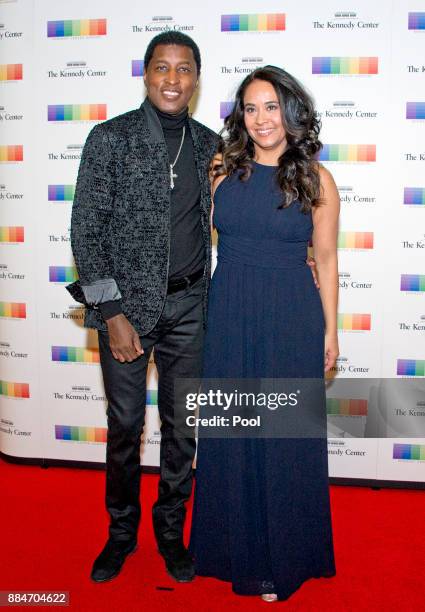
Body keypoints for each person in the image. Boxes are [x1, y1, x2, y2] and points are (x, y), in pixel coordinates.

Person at [69, 32, 219, 583]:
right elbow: (86, 230)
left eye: (183, 69)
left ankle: (170, 531)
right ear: (146, 74)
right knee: (125, 424)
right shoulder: (110, 138)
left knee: (183, 429)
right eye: (162, 68)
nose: (172, 80)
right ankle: (121, 533)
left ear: (196, 79)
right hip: (126, 311)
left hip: (190, 307)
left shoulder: (209, 145)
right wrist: (111, 314)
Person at [189, 66, 339, 602]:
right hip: (229, 309)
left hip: (291, 314)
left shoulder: (316, 179)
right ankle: (230, 553)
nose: (261, 119)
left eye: (271, 106)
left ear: (291, 111)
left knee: (282, 436)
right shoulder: (220, 169)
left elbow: (325, 257)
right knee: (232, 430)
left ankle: (283, 560)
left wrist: (331, 331)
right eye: (250, 109)